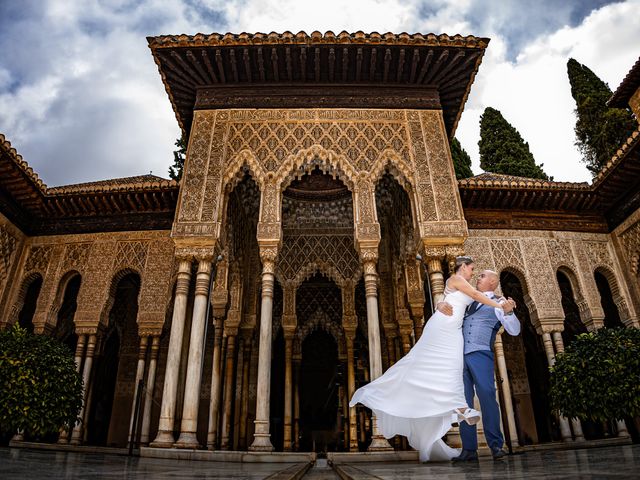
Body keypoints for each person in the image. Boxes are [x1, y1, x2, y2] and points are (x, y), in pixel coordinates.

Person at [349, 256, 514, 462]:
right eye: (472, 270)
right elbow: (472, 295)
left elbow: (469, 300)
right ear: (463, 267)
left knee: (455, 374)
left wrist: (503, 306)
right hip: (443, 329)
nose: (473, 274)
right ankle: (462, 419)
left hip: (460, 338)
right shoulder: (456, 279)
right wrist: (499, 305)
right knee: (437, 366)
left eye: (478, 273)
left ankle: (465, 412)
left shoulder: (474, 292)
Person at [437, 269, 520, 462]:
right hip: (460, 357)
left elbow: (514, 330)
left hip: (481, 354)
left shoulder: (499, 302)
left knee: (487, 397)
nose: (478, 278)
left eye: (482, 276)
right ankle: (469, 449)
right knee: (463, 404)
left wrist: (509, 312)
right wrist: (441, 304)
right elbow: (448, 307)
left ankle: (496, 445)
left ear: (492, 282)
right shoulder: (468, 300)